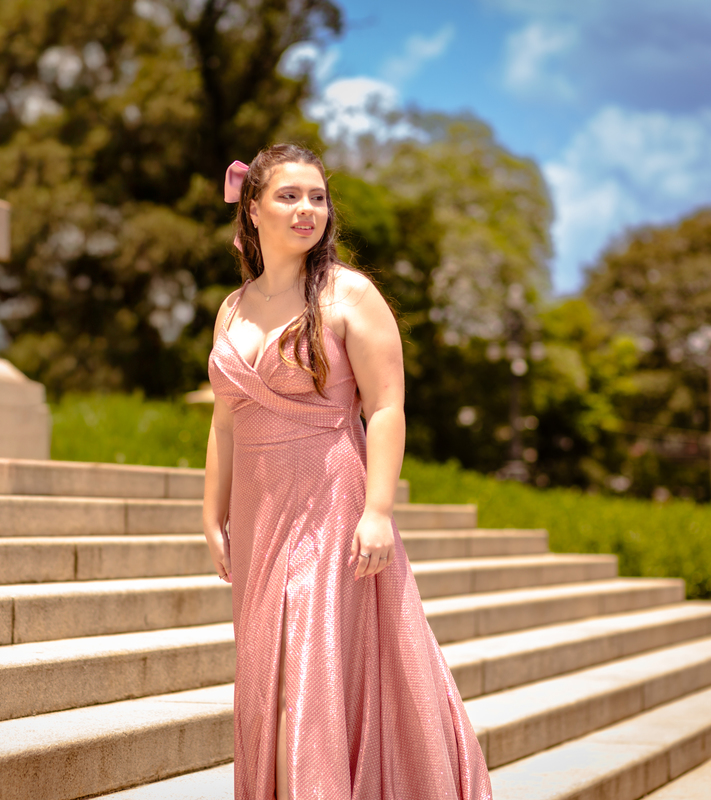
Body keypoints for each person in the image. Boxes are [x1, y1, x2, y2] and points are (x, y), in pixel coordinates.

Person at [203, 143, 493, 800]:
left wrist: (379, 510)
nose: (308, 209)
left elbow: (387, 407)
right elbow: (223, 421)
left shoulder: (350, 294)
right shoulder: (232, 307)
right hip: (257, 513)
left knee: (307, 668)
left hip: (330, 498)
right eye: (289, 196)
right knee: (265, 671)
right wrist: (210, 514)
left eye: (318, 197)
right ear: (252, 210)